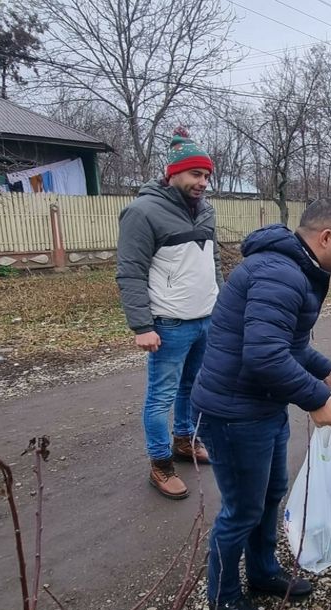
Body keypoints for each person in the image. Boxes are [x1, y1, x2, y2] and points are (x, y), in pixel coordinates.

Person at [191, 199, 331, 610]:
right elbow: (264, 356)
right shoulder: (281, 274)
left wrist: (325, 371)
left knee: (270, 495)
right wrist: (315, 398)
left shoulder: (293, 269)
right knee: (242, 509)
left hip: (259, 406)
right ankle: (223, 600)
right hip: (234, 412)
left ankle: (263, 572)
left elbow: (289, 344)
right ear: (325, 238)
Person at [116, 127, 223, 500]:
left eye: (207, 175)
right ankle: (160, 465)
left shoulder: (206, 210)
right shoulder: (142, 212)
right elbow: (130, 271)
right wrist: (141, 325)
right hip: (169, 323)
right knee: (160, 397)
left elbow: (214, 260)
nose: (203, 182)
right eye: (196, 174)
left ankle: (184, 441)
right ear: (172, 173)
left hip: (205, 319)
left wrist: (219, 303)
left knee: (192, 388)